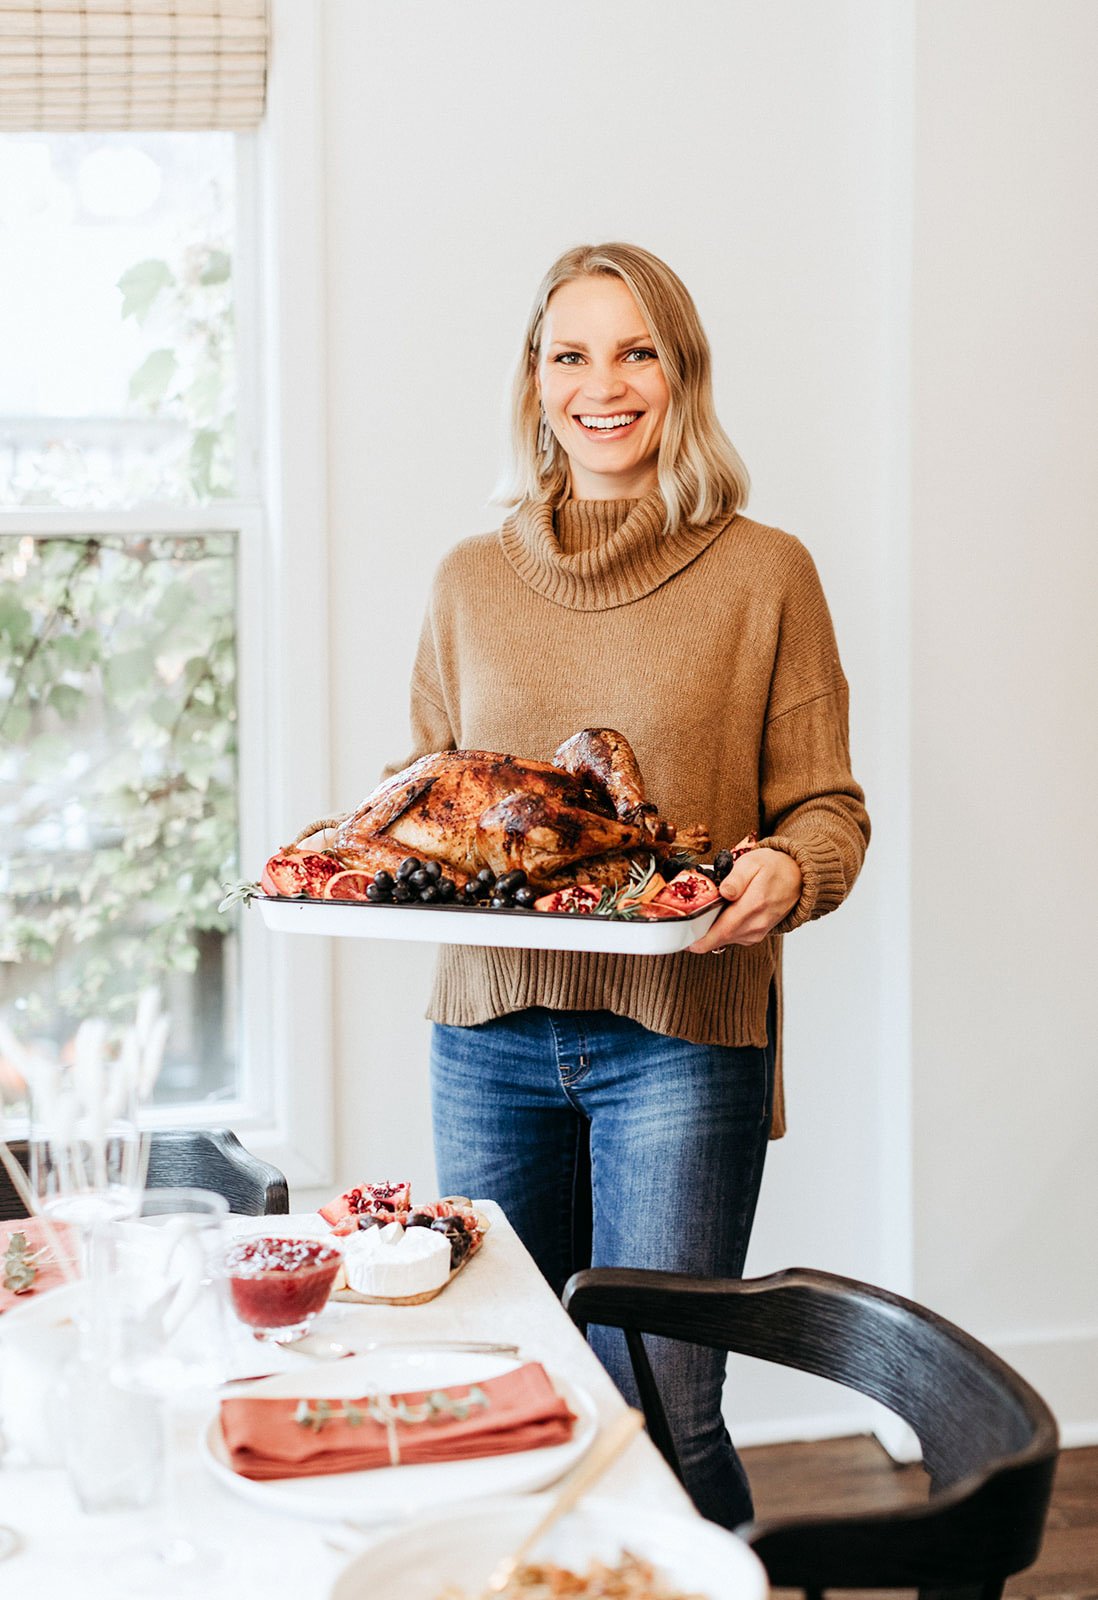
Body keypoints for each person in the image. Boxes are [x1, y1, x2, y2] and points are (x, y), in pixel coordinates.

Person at [387, 242, 870, 1529]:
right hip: (488, 1034)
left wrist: (787, 867)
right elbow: (425, 797)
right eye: (570, 354)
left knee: (660, 1406)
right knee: (513, 1384)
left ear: (683, 373)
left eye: (636, 350)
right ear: (534, 383)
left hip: (680, 1033)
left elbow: (829, 807)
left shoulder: (767, 573)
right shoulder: (466, 583)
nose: (603, 385)